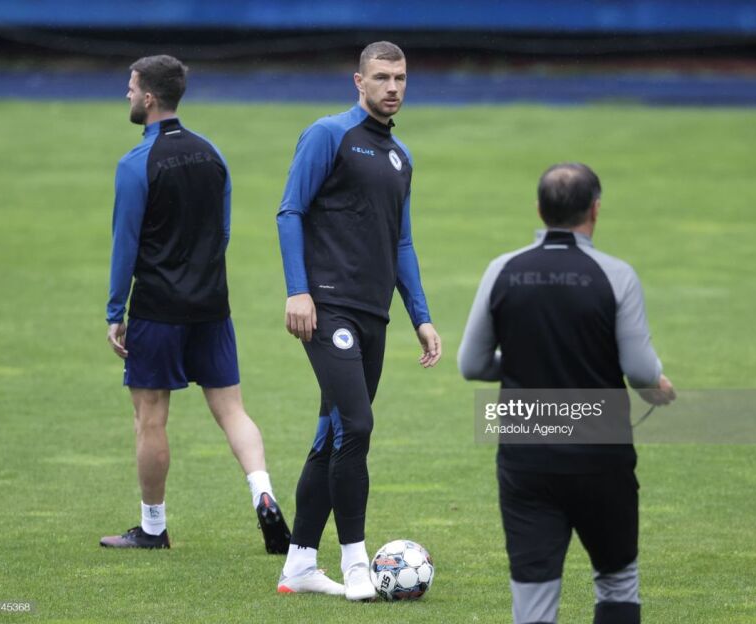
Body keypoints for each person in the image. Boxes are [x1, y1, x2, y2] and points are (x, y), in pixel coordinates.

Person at [458, 163, 676, 624]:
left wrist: (521, 362)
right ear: (595, 209)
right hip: (601, 457)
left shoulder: (502, 270)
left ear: (539, 210)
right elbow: (639, 369)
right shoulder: (616, 275)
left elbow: (472, 364)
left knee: (533, 596)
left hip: (527, 458)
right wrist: (656, 385)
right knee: (616, 581)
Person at [101, 55, 290, 554]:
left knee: (150, 418)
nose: (126, 94)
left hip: (157, 309)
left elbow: (125, 245)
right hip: (212, 306)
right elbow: (222, 232)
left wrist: (115, 312)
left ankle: (153, 528)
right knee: (232, 410)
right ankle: (263, 493)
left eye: (131, 87)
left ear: (149, 97)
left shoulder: (135, 164)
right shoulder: (213, 154)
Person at [275, 41, 442, 599]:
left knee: (333, 433)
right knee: (358, 425)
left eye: (400, 78)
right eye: (381, 77)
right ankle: (354, 563)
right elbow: (290, 211)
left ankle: (299, 565)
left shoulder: (401, 156)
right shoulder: (329, 135)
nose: (392, 87)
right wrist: (298, 292)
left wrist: (421, 316)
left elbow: (403, 242)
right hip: (328, 307)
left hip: (375, 314)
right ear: (359, 81)